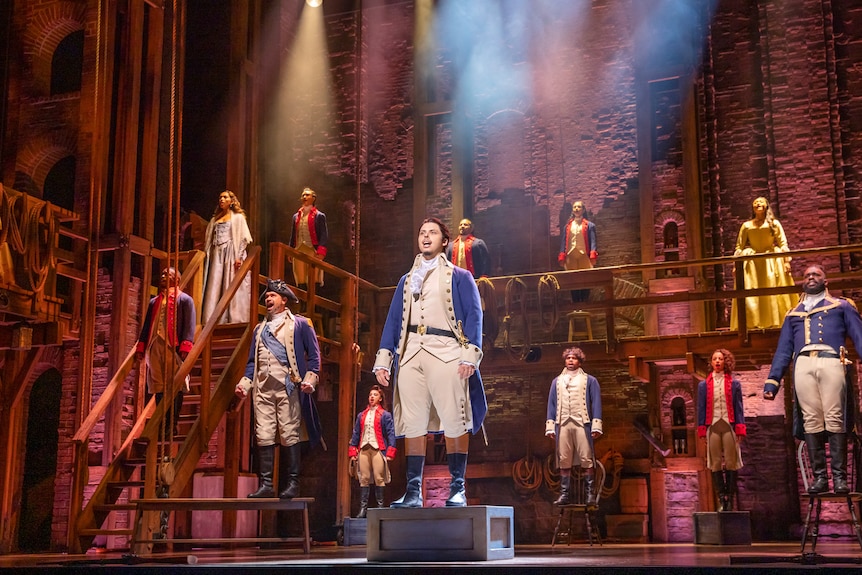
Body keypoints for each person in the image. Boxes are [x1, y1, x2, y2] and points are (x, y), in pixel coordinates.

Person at [373, 217, 485, 508]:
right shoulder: (406, 279)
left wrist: (470, 355)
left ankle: (457, 487)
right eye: (422, 233)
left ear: (444, 241)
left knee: (454, 417)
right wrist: (384, 359)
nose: (425, 237)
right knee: (413, 422)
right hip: (410, 352)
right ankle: (413, 491)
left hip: (447, 349)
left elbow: (474, 316)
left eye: (432, 233)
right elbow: (393, 319)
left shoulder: (460, 276)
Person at [764, 265, 862, 494]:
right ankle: (820, 478)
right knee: (811, 420)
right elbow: (783, 350)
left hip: (831, 360)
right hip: (803, 364)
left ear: (825, 281)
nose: (810, 277)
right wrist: (772, 381)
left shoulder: (841, 306)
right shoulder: (793, 313)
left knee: (834, 416)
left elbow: (859, 336)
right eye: (807, 275)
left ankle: (839, 478)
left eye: (816, 274)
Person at [235, 278, 323, 499]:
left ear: (284, 300)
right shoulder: (259, 329)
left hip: (288, 387)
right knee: (263, 434)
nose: (268, 299)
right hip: (263, 388)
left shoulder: (301, 324)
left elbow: (314, 357)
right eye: (266, 296)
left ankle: (292, 483)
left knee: (289, 433)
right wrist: (245, 384)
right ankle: (267, 484)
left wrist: (310, 380)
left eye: (272, 295)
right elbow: (252, 362)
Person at [135, 267, 196, 435]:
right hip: (155, 344)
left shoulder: (184, 300)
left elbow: (189, 324)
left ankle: (172, 423)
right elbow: (147, 325)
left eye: (167, 274)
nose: (163, 276)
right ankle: (162, 421)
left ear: (176, 279)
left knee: (175, 384)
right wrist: (141, 346)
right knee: (159, 384)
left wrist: (185, 345)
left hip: (172, 345)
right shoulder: (154, 302)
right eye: (161, 273)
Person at [545, 347, 603, 506]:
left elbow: (596, 402)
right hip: (563, 423)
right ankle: (564, 495)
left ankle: (590, 495)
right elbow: (551, 404)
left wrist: (596, 425)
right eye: (568, 358)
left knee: (587, 458)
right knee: (564, 459)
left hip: (581, 422)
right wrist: (550, 426)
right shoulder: (556, 381)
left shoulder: (590, 380)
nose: (571, 360)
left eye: (574, 358)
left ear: (580, 361)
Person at [730, 196, 796, 330]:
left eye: (761, 202)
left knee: (773, 290)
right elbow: (739, 247)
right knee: (752, 291)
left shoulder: (774, 223)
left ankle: (776, 321)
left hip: (771, 260)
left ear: (766, 206)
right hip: (753, 263)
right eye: (755, 202)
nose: (758, 204)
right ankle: (752, 322)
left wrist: (786, 261)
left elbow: (783, 243)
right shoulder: (746, 226)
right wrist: (736, 266)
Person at [697, 349, 746, 511]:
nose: (717, 361)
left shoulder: (734, 384)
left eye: (720, 359)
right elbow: (701, 408)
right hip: (713, 425)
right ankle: (721, 498)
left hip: (729, 424)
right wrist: (702, 429)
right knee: (715, 462)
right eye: (714, 359)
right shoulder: (703, 385)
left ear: (725, 362)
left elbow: (739, 407)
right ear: (711, 363)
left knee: (731, 461)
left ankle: (729, 498)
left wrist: (740, 428)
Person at [201, 190, 253, 325]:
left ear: (231, 201)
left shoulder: (237, 217)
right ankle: (212, 319)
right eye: (220, 197)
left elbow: (243, 238)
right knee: (215, 283)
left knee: (229, 282)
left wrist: (239, 256)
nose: (222, 200)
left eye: (225, 197)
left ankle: (232, 318)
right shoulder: (215, 219)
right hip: (217, 254)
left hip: (230, 252)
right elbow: (209, 240)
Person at [348, 384, 397, 517]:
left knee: (378, 477)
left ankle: (380, 507)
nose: (372, 397)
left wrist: (390, 452)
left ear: (380, 398)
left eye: (375, 395)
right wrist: (353, 451)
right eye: (370, 395)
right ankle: (363, 509)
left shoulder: (385, 415)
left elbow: (391, 433)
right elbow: (356, 433)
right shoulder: (361, 415)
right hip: (364, 448)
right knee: (363, 478)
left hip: (377, 449)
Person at [558, 200, 598, 303]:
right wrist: (562, 256)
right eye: (575, 207)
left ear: (583, 210)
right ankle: (576, 302)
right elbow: (564, 242)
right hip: (571, 255)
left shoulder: (589, 225)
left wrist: (593, 254)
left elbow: (593, 241)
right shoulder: (567, 227)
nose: (576, 209)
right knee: (573, 280)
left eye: (579, 207)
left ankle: (584, 301)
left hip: (584, 255)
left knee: (585, 279)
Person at [290, 187, 328, 288]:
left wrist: (321, 251)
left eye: (307, 195)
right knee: (300, 278)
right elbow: (294, 234)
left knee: (313, 278)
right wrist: (290, 250)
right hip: (299, 249)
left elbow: (323, 234)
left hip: (312, 249)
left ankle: (314, 302)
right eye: (303, 195)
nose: (304, 197)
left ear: (313, 198)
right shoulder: (296, 216)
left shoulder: (319, 216)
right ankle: (302, 303)